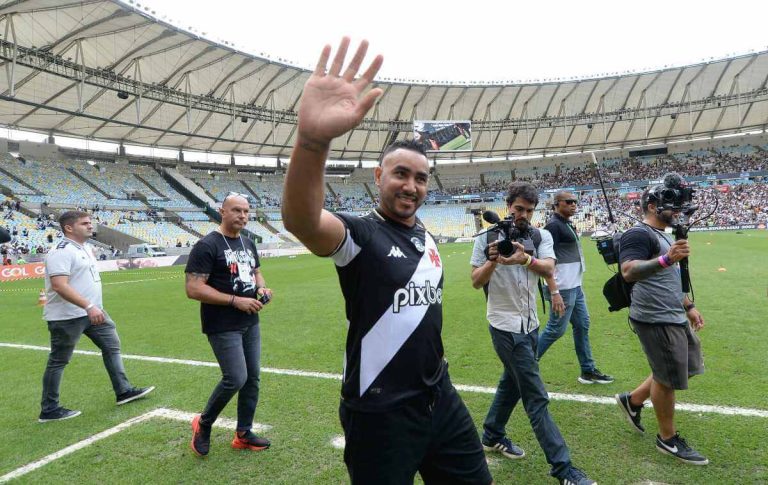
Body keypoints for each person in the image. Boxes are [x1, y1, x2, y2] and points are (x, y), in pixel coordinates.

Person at [282, 38, 492, 485]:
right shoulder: (360, 233)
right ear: (379, 177)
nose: (411, 186)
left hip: (439, 397)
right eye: (400, 173)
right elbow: (302, 220)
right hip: (379, 411)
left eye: (420, 178)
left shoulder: (426, 236)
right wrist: (313, 141)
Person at [470, 182, 595, 485]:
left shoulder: (541, 236)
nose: (523, 215)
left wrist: (525, 258)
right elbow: (475, 281)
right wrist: (493, 260)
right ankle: (563, 469)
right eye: (518, 209)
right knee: (535, 396)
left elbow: (549, 268)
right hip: (504, 326)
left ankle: (491, 433)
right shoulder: (487, 237)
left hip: (531, 324)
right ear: (508, 205)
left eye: (529, 210)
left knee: (512, 381)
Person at [615, 180, 708, 465]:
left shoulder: (665, 234)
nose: (678, 210)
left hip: (674, 312)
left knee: (687, 367)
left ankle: (632, 401)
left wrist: (688, 306)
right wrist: (667, 259)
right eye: (672, 205)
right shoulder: (638, 233)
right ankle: (667, 439)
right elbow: (628, 271)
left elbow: (670, 278)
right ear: (652, 206)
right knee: (667, 378)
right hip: (654, 317)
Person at [39, 211, 154, 423]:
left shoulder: (86, 247)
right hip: (68, 316)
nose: (91, 227)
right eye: (85, 223)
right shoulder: (61, 251)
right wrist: (88, 305)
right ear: (69, 228)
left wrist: (93, 307)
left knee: (112, 346)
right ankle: (49, 409)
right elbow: (59, 285)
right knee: (59, 361)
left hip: (94, 312)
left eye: (90, 223)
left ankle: (124, 391)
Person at [185, 193, 272, 457]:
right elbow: (193, 288)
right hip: (222, 323)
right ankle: (204, 423)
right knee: (235, 377)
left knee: (252, 379)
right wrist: (235, 301)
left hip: (249, 321)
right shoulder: (207, 245)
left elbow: (255, 270)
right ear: (222, 211)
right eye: (236, 210)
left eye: (246, 211)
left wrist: (262, 288)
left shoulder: (247, 242)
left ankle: (243, 434)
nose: (243, 216)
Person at [537, 191, 613, 384]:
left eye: (574, 202)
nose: (573, 205)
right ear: (556, 204)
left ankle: (587, 370)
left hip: (574, 286)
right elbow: (545, 259)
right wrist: (554, 291)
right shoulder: (553, 226)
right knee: (555, 330)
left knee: (582, 325)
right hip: (562, 288)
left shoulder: (565, 223)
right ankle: (524, 364)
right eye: (568, 202)